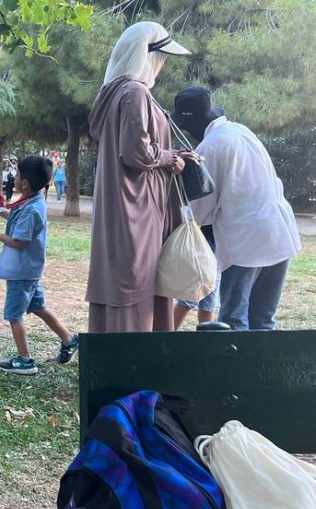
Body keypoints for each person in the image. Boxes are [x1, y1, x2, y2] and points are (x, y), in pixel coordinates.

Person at [85, 21, 191, 333]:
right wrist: (172, 158)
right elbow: (136, 153)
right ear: (146, 56)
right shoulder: (134, 92)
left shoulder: (115, 93)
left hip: (129, 207)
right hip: (137, 209)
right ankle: (135, 366)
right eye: (161, 57)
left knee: (129, 277)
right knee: (135, 280)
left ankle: (127, 363)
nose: (163, 64)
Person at [171, 86, 301, 330]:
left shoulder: (209, 148)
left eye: (186, 127)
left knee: (234, 319)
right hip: (279, 231)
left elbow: (200, 212)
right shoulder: (240, 130)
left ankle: (239, 369)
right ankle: (262, 369)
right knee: (263, 319)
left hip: (246, 242)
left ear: (196, 122)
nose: (187, 132)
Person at [0, 156, 79, 375]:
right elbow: (15, 220)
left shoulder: (32, 209)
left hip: (22, 272)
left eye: (17, 175)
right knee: (37, 306)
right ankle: (69, 339)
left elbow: (20, 241)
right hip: (29, 270)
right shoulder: (31, 201)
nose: (15, 179)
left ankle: (25, 360)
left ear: (24, 183)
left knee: (13, 315)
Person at [173, 224, 220, 329]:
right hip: (204, 244)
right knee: (188, 300)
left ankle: (206, 343)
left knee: (208, 305)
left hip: (217, 247)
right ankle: (164, 336)